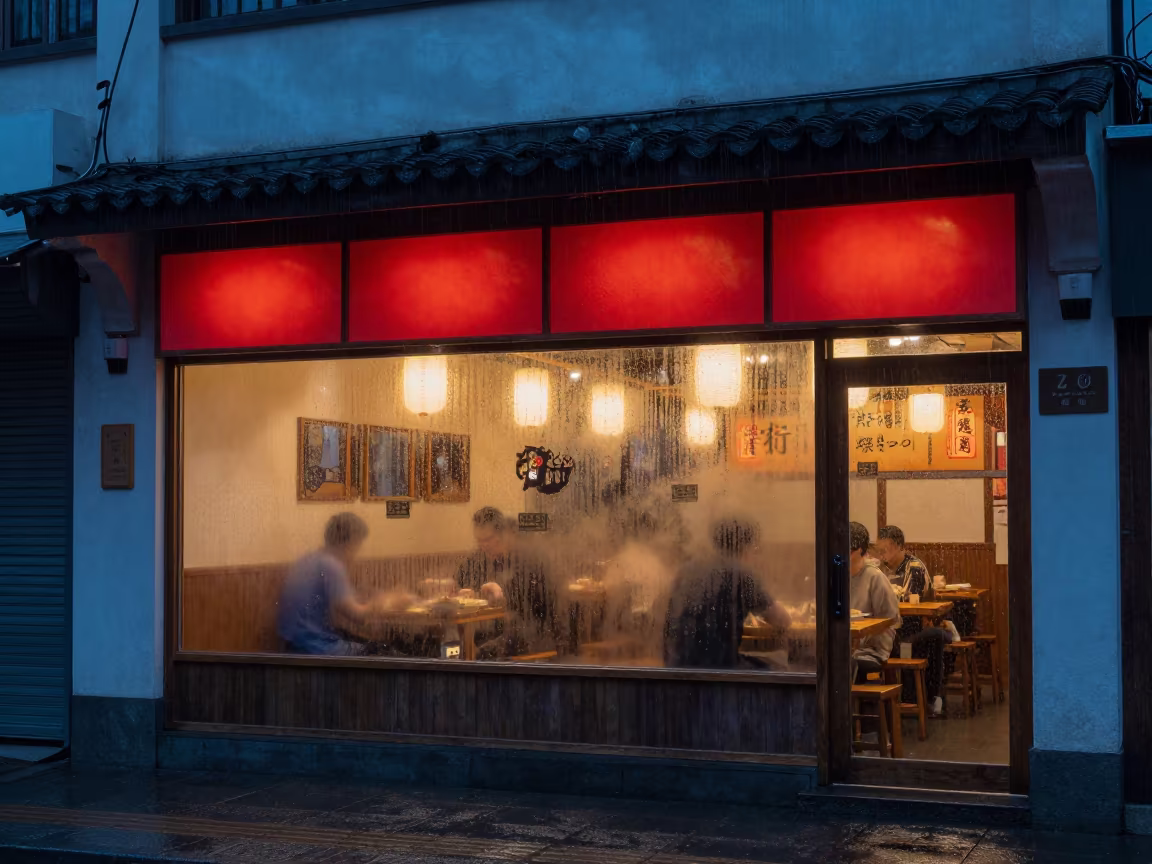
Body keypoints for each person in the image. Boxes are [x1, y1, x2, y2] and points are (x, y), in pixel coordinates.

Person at [664, 518, 791, 670]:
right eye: (754, 548)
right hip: (718, 668)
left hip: (676, 664)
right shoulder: (740, 573)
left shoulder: (687, 570)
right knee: (782, 666)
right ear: (746, 546)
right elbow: (782, 620)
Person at [278, 513, 390, 656]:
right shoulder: (331, 565)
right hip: (316, 648)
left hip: (292, 645)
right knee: (386, 652)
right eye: (358, 544)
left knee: (359, 639)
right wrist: (384, 601)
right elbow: (357, 616)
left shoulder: (308, 560)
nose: (357, 551)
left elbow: (335, 602)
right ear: (351, 542)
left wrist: (361, 595)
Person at [457, 506, 559, 658]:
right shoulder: (479, 558)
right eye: (479, 540)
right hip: (500, 628)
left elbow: (540, 603)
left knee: (485, 653)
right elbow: (462, 578)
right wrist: (469, 591)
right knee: (473, 642)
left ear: (502, 534)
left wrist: (504, 593)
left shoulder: (528, 558)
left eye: (488, 539)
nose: (483, 546)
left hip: (534, 630)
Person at [875, 524, 945, 716]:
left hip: (912, 627)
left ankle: (918, 698)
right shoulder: (882, 568)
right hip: (891, 627)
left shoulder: (913, 567)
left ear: (898, 546)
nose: (880, 555)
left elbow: (906, 600)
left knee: (902, 643)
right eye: (878, 550)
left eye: (884, 550)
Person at [849, 521, 901, 682]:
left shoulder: (875, 577)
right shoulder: (836, 575)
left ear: (858, 550)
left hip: (872, 651)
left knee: (841, 665)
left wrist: (862, 640)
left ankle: (850, 707)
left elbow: (893, 620)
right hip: (843, 648)